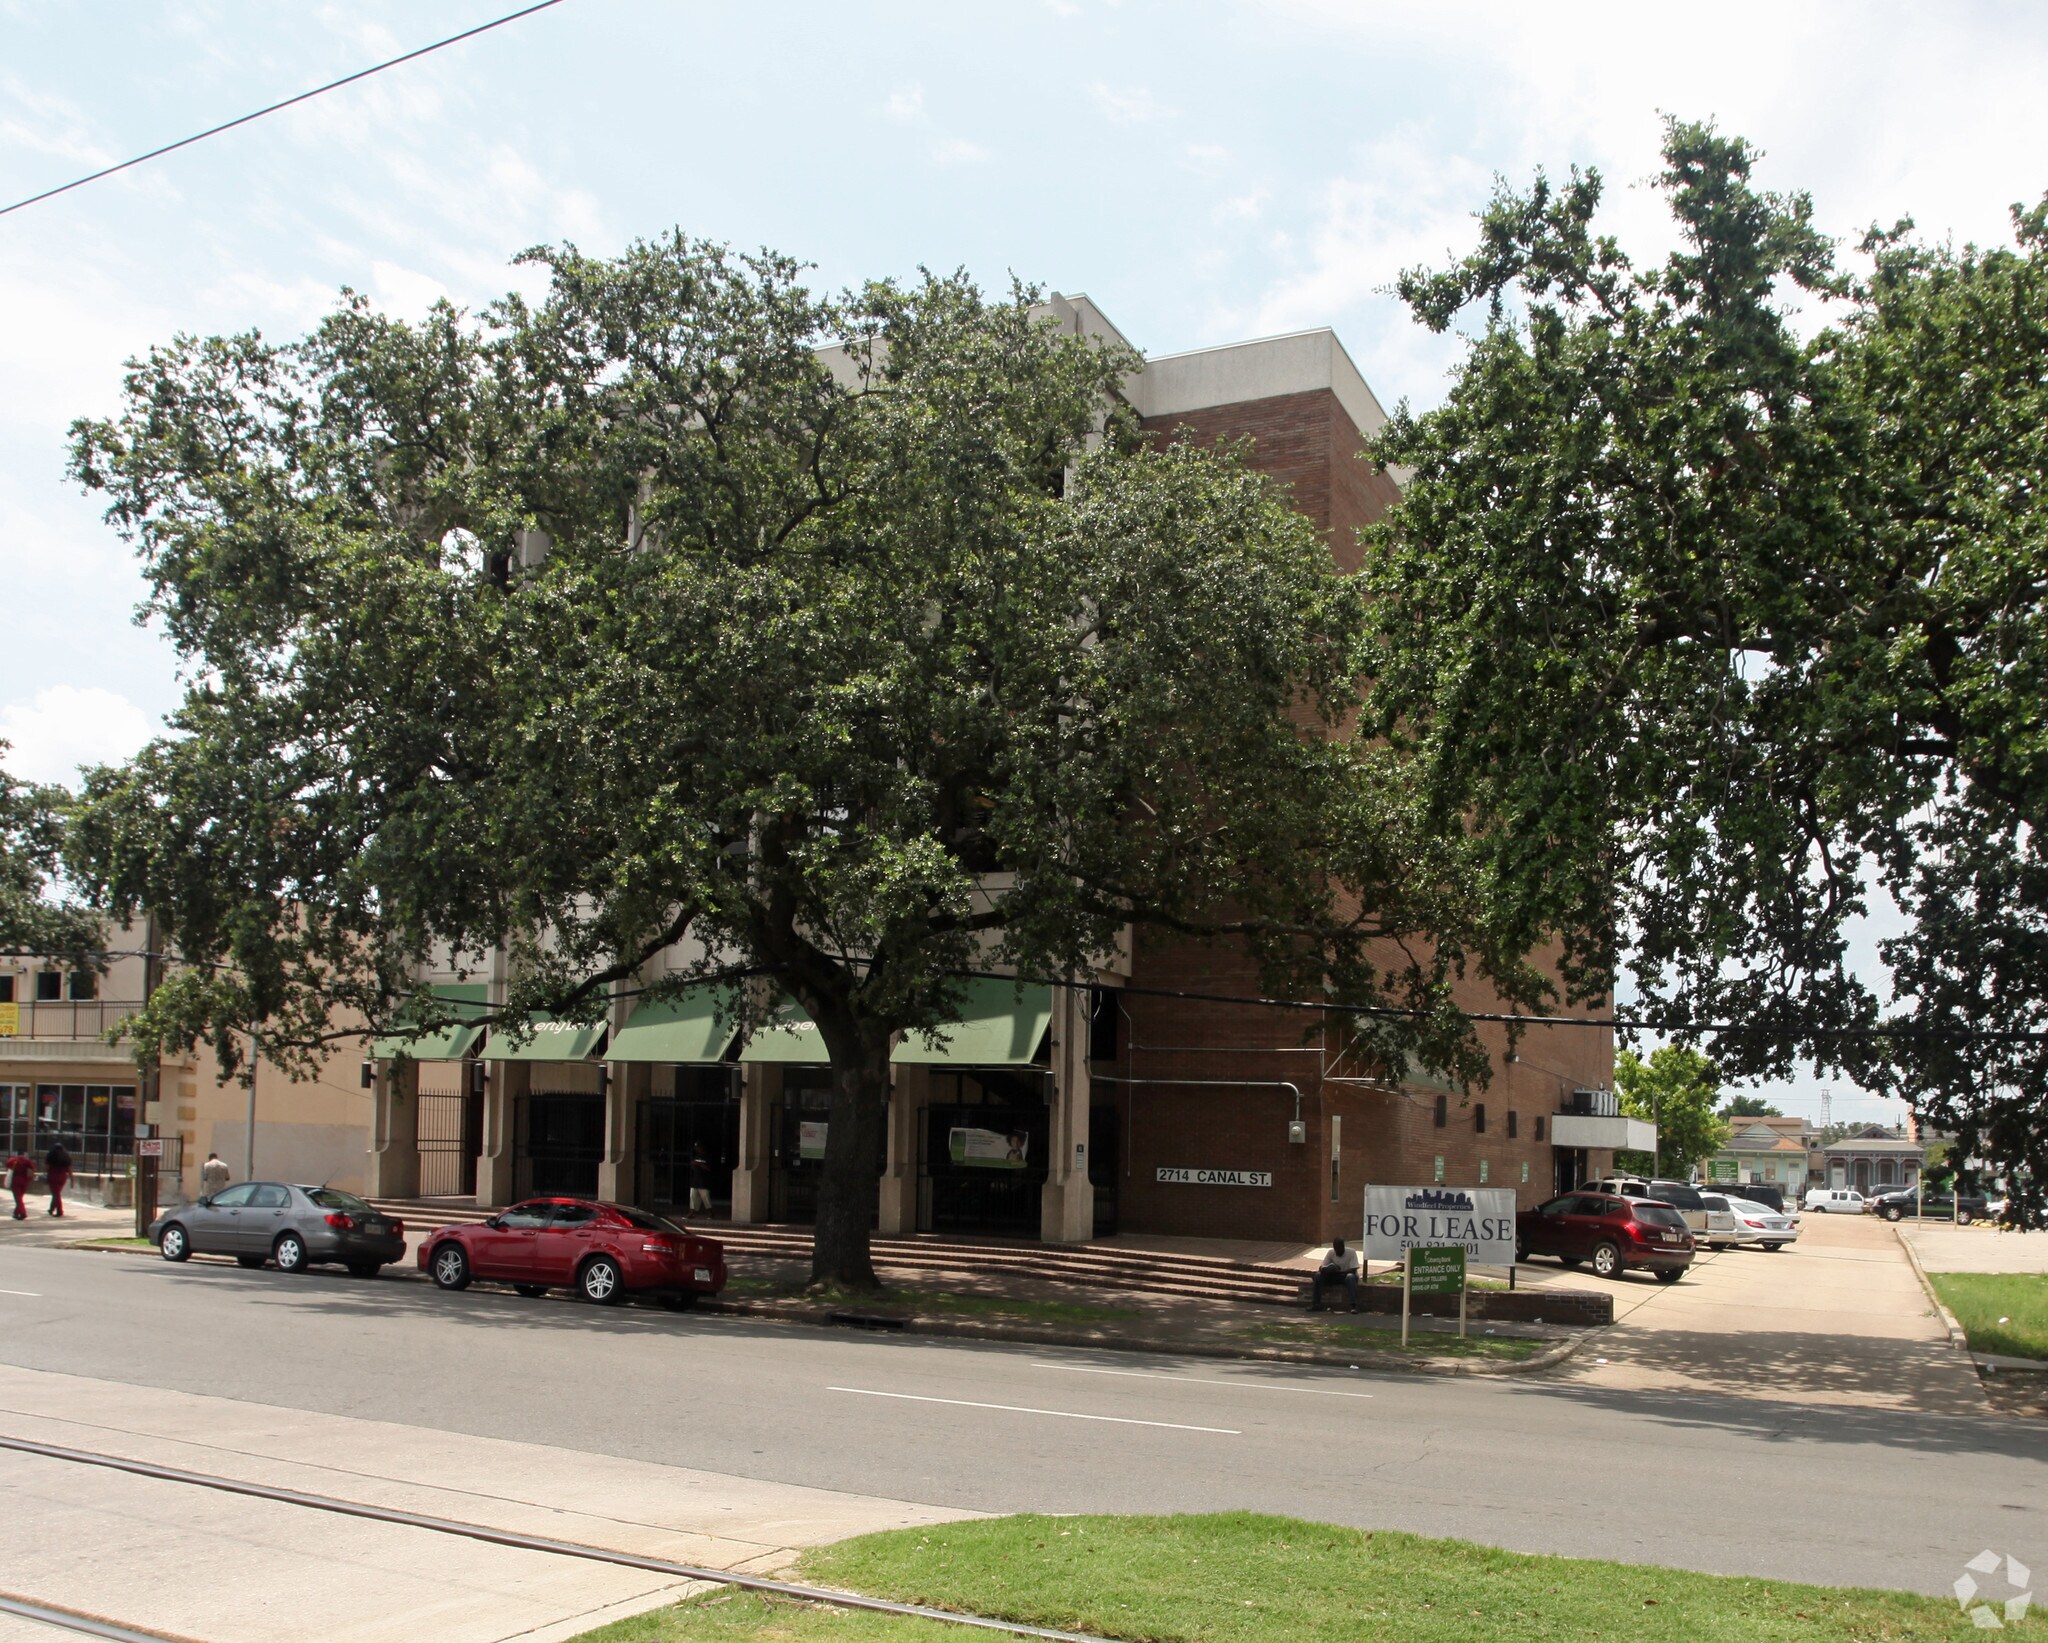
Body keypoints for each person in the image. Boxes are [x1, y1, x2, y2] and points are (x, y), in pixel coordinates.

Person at [1310, 1236, 1361, 1312]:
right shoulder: (1331, 1252)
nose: (1337, 1251)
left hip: (1345, 1276)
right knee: (1318, 1275)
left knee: (1350, 1277)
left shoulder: (1351, 1252)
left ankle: (1353, 1306)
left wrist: (1340, 1272)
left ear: (1343, 1247)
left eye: (1339, 1249)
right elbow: (1322, 1266)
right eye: (1336, 1249)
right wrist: (1325, 1269)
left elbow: (1353, 1269)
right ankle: (1316, 1304)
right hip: (1334, 1276)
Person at [44, 1143, 71, 1218]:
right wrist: (72, 1180)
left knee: (56, 1194)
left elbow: (47, 1167)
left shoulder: (51, 1155)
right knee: (56, 1193)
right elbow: (69, 1169)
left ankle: (59, 1210)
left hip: (53, 1175)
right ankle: (51, 1209)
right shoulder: (66, 1157)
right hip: (62, 1177)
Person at [5, 1148, 33, 1220]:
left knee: (18, 1198)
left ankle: (23, 1212)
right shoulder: (27, 1161)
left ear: (17, 1154)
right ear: (24, 1154)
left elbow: (7, 1165)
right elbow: (31, 1170)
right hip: (24, 1181)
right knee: (20, 1198)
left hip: (16, 1181)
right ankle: (16, 1213)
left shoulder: (13, 1160)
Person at [687, 1145, 712, 1215]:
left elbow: (708, 1168)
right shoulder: (696, 1156)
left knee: (705, 1197)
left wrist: (699, 1164)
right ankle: (691, 1212)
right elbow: (693, 1167)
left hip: (703, 1181)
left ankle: (710, 1212)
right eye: (696, 1148)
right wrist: (693, 1164)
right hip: (695, 1180)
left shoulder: (707, 1157)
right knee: (692, 1196)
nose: (697, 1149)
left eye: (698, 1147)